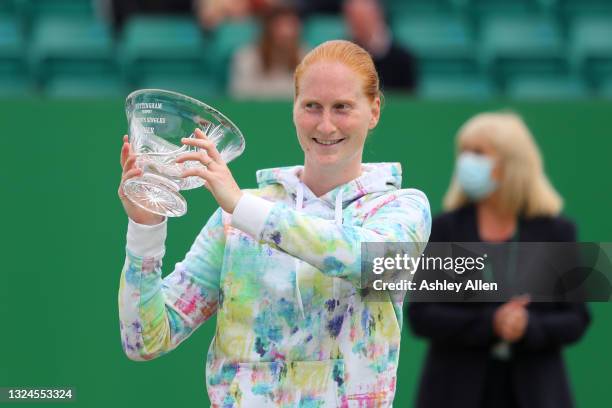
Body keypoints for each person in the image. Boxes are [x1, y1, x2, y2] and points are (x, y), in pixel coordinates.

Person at [118, 40, 431, 406]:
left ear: (374, 110)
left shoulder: (402, 207)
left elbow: (368, 260)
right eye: (311, 106)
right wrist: (146, 228)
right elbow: (145, 341)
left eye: (342, 107)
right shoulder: (235, 217)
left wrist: (242, 206)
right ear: (295, 109)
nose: (326, 125)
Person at [407, 112, 591, 408]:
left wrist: (528, 325)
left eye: (478, 152)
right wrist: (491, 322)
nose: (467, 161)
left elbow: (577, 319)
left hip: (536, 393)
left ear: (511, 163)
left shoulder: (557, 231)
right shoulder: (445, 228)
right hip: (453, 391)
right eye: (464, 152)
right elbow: (422, 316)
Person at [229, 4, 306, 100]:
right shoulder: (246, 57)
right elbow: (241, 98)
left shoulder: (308, 58)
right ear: (267, 31)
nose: (286, 33)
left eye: (291, 26)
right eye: (279, 26)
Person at [343, 0, 418, 93]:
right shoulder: (342, 55)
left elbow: (410, 99)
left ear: (378, 15)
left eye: (362, 19)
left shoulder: (403, 58)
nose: (358, 25)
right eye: (353, 19)